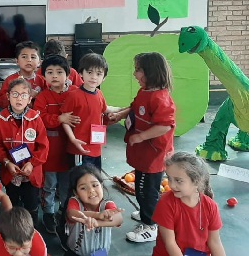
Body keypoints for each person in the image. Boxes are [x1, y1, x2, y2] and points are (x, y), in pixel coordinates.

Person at [108, 52, 176, 243]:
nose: (134, 74)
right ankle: (147, 212)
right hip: (144, 154)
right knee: (141, 186)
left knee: (147, 190)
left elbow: (165, 125)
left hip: (154, 156)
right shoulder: (145, 92)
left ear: (150, 72)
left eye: (138, 70)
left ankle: (150, 225)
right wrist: (120, 115)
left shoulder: (160, 98)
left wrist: (141, 136)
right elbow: (134, 107)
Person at [0, 78, 49, 225]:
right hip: (11, 172)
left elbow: (43, 146)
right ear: (8, 96)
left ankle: (32, 230)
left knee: (31, 205)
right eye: (15, 94)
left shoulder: (35, 119)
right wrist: (6, 162)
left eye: (24, 95)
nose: (19, 98)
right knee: (13, 204)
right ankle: (15, 229)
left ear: (29, 99)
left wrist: (32, 163)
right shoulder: (2, 119)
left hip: (31, 173)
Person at [33, 55, 80, 233]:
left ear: (68, 75)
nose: (54, 76)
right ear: (43, 76)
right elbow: (38, 118)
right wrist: (59, 118)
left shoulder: (75, 92)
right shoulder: (43, 97)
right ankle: (48, 213)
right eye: (50, 72)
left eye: (59, 72)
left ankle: (64, 211)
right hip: (49, 150)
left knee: (67, 184)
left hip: (70, 148)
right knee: (49, 185)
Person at [152, 152, 225, 256]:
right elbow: (170, 244)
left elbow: (215, 242)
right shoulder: (166, 203)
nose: (172, 185)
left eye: (178, 180)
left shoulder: (210, 206)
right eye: (169, 178)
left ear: (196, 182)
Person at [62, 53, 119, 170]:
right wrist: (73, 139)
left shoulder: (99, 94)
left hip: (96, 148)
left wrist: (125, 109)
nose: (94, 77)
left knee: (95, 177)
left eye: (98, 74)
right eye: (89, 72)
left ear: (104, 77)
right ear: (80, 73)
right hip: (79, 148)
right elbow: (64, 120)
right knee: (79, 179)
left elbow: (105, 109)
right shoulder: (74, 96)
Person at [61, 164, 123, 256]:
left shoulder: (107, 205)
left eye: (95, 185)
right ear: (76, 193)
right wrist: (97, 215)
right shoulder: (75, 202)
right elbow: (72, 214)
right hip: (74, 253)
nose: (91, 190)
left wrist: (97, 223)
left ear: (101, 186)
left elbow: (118, 219)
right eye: (83, 188)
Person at [0, 41, 47, 109]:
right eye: (24, 57)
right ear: (17, 61)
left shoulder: (42, 80)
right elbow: (0, 102)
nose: (29, 60)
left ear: (39, 62)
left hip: (37, 115)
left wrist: (37, 95)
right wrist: (15, 93)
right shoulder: (10, 80)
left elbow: (49, 99)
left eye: (33, 57)